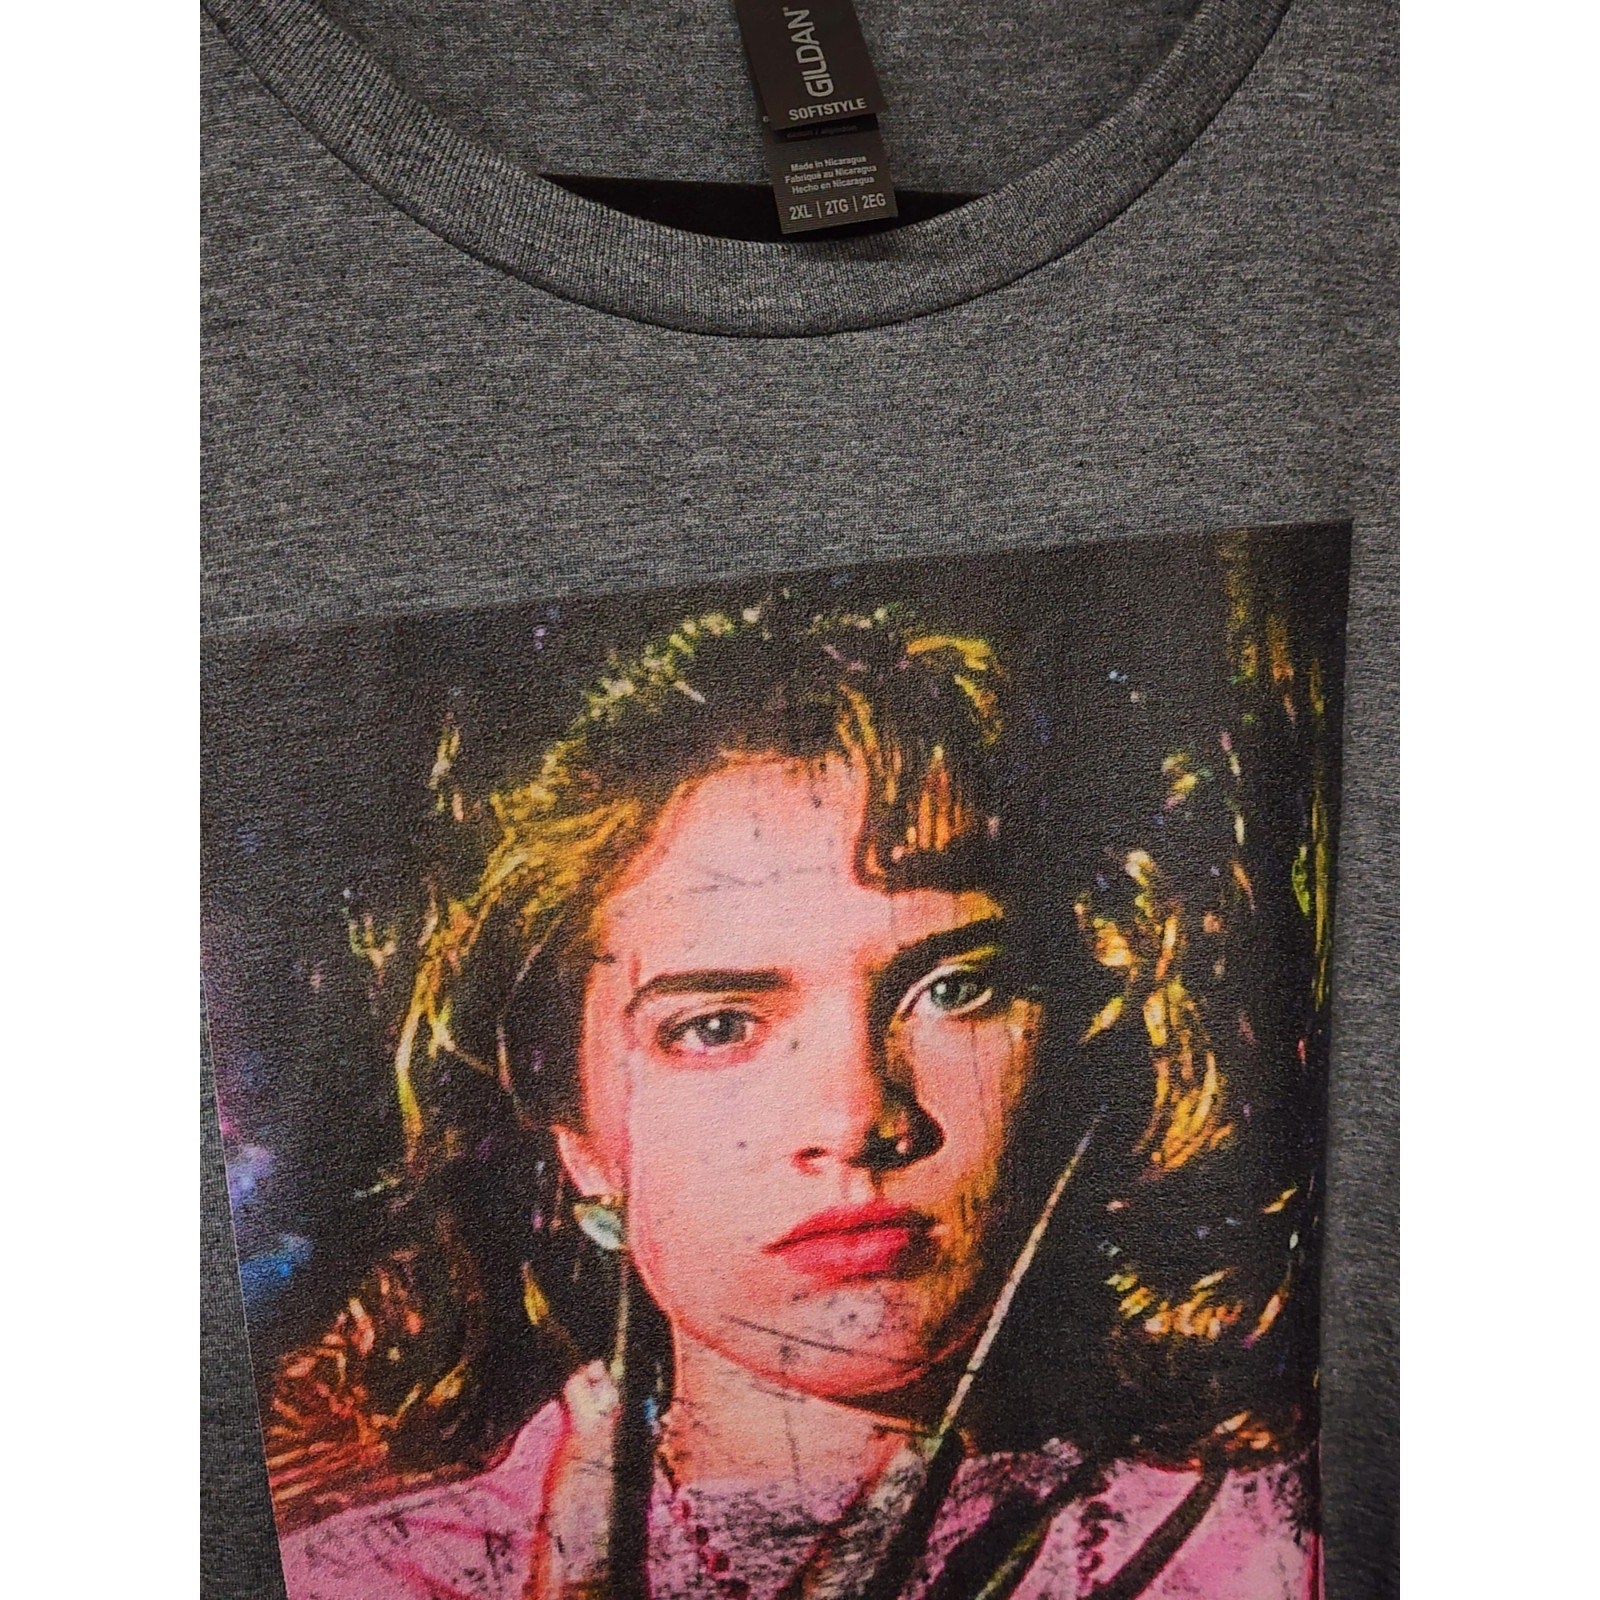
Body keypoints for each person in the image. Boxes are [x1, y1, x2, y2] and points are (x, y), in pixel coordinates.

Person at [278, 600, 1319, 1600]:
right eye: (716, 1025)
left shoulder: (1270, 1549)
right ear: (575, 1132)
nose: (857, 1119)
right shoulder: (357, 1582)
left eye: (951, 990)